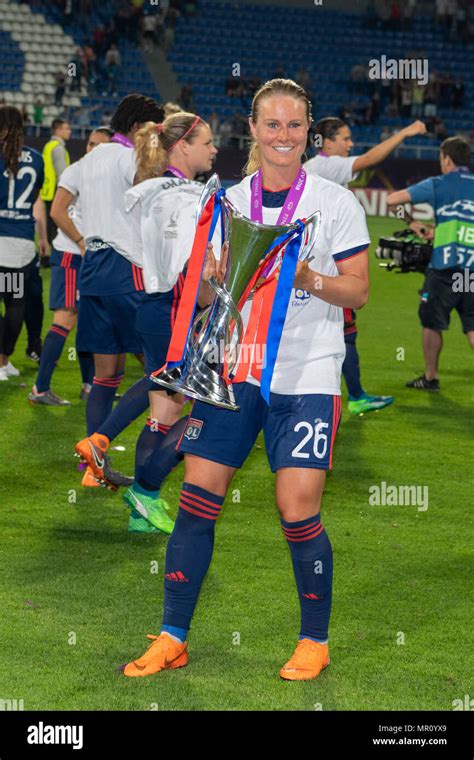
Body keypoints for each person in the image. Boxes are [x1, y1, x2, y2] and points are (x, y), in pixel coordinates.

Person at [121, 78, 370, 681]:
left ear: (307, 132)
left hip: (307, 374)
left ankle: (314, 640)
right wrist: (208, 276)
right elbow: (207, 297)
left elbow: (358, 289)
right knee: (197, 499)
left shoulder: (334, 203)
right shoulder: (227, 201)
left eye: (294, 126)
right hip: (236, 369)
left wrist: (306, 278)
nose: (283, 136)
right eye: (272, 125)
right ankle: (172, 636)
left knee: (296, 508)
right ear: (254, 130)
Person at [57, 95, 164, 488]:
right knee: (165, 366)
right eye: (154, 130)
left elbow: (62, 206)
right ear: (139, 128)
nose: (156, 138)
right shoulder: (128, 159)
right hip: (127, 269)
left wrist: (82, 240)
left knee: (107, 375)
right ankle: (102, 444)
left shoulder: (89, 160)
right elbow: (154, 203)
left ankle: (92, 470)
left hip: (94, 269)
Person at [121, 112, 218, 533]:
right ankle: (143, 486)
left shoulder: (155, 190)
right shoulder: (186, 196)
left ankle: (141, 510)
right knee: (212, 411)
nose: (215, 149)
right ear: (183, 146)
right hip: (176, 313)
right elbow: (194, 272)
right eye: (208, 142)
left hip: (154, 307)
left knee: (162, 411)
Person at [305, 116, 427, 414]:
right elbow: (371, 159)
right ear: (327, 142)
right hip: (326, 270)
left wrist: (411, 223)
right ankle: (352, 396)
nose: (350, 144)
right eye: (345, 139)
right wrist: (406, 132)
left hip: (318, 267)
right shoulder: (324, 165)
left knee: (341, 331)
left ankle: (351, 394)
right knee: (344, 332)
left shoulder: (321, 171)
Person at [28, 127, 113, 408]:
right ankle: (40, 389)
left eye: (99, 146)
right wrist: (80, 241)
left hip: (90, 257)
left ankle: (90, 386)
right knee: (65, 319)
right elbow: (56, 211)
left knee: (88, 321)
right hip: (70, 254)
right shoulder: (76, 171)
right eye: (90, 143)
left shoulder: (106, 176)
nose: (92, 149)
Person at [387, 136, 474, 390]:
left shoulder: (438, 184)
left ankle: (430, 377)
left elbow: (393, 201)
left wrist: (413, 223)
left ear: (447, 159)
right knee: (472, 328)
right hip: (470, 271)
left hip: (444, 270)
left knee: (431, 323)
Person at [0, 105, 46, 380]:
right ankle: (3, 361)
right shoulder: (37, 159)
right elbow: (35, 197)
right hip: (20, 246)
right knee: (15, 304)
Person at [40, 118, 71, 247]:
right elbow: (62, 175)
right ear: (58, 130)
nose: (69, 131)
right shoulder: (58, 148)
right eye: (66, 128)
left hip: (46, 190)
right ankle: (51, 254)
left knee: (48, 225)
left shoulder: (48, 145)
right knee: (56, 226)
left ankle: (46, 253)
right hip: (55, 191)